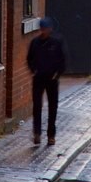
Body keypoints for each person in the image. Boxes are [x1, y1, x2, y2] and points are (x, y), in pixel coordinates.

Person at [27, 17, 66, 146]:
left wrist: (57, 74)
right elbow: (30, 58)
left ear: (50, 29)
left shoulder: (56, 43)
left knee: (52, 107)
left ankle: (51, 135)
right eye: (43, 28)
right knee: (37, 106)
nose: (44, 31)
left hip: (52, 79)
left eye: (47, 28)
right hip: (39, 78)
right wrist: (34, 70)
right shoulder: (35, 43)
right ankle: (37, 133)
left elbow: (63, 59)